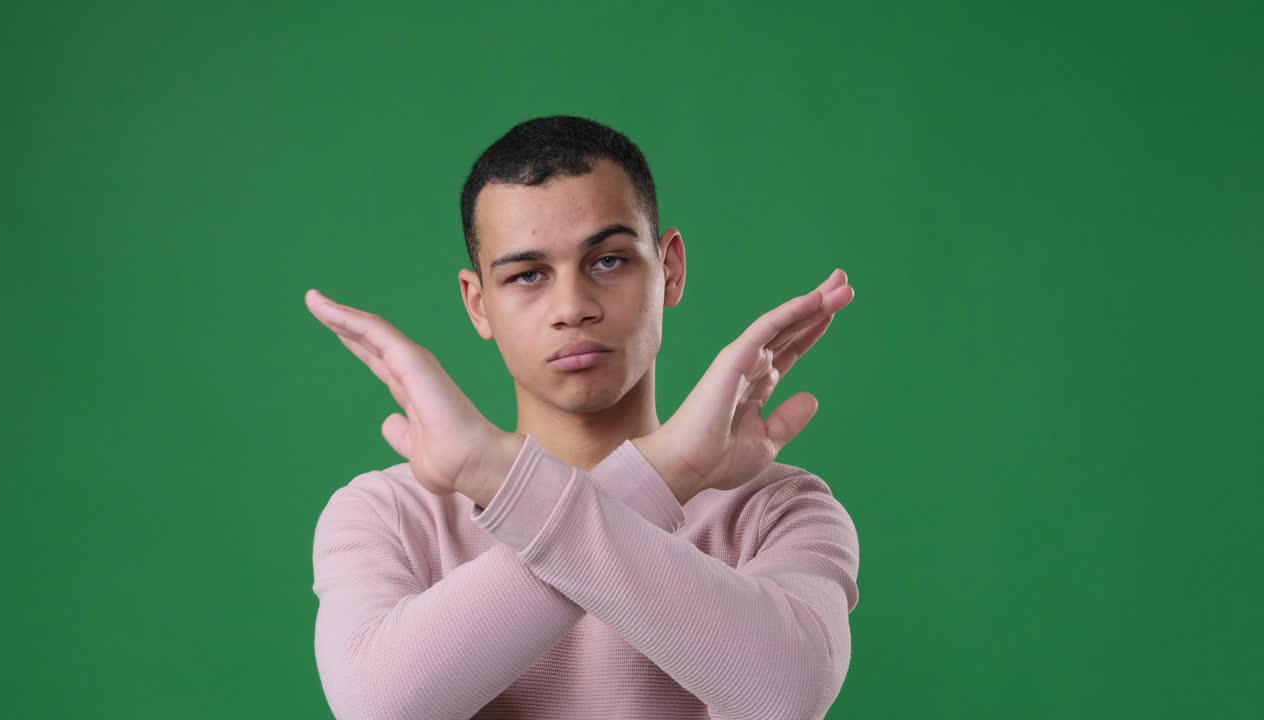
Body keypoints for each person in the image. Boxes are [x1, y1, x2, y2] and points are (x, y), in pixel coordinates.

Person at [306, 115, 859, 720]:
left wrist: (502, 479)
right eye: (528, 276)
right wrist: (666, 473)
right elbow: (380, 708)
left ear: (669, 268)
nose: (572, 307)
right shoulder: (389, 513)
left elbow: (787, 696)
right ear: (477, 303)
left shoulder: (778, 509)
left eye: (608, 261)